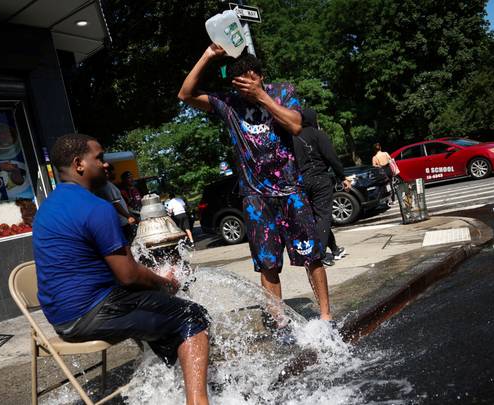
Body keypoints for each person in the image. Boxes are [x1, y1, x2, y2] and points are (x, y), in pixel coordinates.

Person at [32, 134, 210, 405]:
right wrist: (166, 282)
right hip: (91, 314)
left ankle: (168, 387)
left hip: (60, 319)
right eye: (99, 158)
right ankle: (198, 401)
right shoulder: (96, 208)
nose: (105, 164)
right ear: (79, 164)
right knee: (192, 315)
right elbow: (129, 275)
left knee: (157, 311)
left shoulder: (47, 208)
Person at [178, 44, 333, 330]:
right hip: (256, 197)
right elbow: (185, 94)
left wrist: (262, 97)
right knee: (268, 264)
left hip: (292, 192)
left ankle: (326, 316)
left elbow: (296, 125)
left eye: (252, 79)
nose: (247, 86)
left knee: (311, 255)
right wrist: (208, 55)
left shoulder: (282, 92)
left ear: (260, 76)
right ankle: (280, 322)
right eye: (241, 82)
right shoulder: (228, 104)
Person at [293, 108, 350, 266]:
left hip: (302, 182)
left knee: (318, 217)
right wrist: (342, 177)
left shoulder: (293, 137)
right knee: (323, 216)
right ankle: (321, 255)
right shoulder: (318, 134)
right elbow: (331, 157)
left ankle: (335, 248)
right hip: (319, 179)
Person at [96, 162, 138, 241]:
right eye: (113, 171)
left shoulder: (109, 185)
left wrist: (130, 215)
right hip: (121, 224)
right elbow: (115, 204)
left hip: (123, 222)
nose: (115, 173)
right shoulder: (106, 185)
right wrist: (128, 216)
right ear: (109, 172)